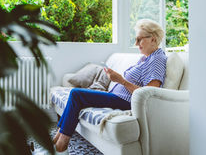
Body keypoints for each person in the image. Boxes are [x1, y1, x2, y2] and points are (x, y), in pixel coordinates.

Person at [53, 19, 167, 154]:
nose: (136, 44)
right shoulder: (146, 58)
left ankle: (61, 146)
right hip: (117, 97)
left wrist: (122, 81)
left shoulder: (157, 60)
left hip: (125, 101)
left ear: (153, 39)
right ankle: (57, 139)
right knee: (76, 96)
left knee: (77, 94)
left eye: (139, 39)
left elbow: (149, 95)